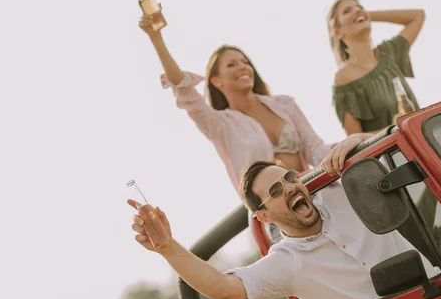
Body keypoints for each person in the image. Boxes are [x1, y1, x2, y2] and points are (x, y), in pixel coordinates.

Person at [128, 136, 440, 299]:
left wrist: (354, 142)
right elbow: (222, 288)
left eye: (289, 178)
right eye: (276, 191)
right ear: (264, 217)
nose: (289, 188)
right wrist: (168, 248)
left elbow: (393, 137)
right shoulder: (286, 264)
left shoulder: (343, 190)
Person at [139, 14, 331, 193]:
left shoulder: (285, 105)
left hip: (313, 193)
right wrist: (156, 37)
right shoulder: (220, 125)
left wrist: (350, 147)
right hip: (275, 217)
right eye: (232, 64)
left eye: (244, 61)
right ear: (215, 80)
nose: (243, 67)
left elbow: (315, 148)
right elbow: (184, 90)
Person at [327, 0, 426, 135]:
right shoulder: (343, 79)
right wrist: (392, 128)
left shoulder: (389, 53)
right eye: (347, 10)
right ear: (337, 31)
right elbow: (356, 141)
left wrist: (364, 15)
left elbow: (418, 16)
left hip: (423, 140)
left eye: (360, 7)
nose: (357, 10)